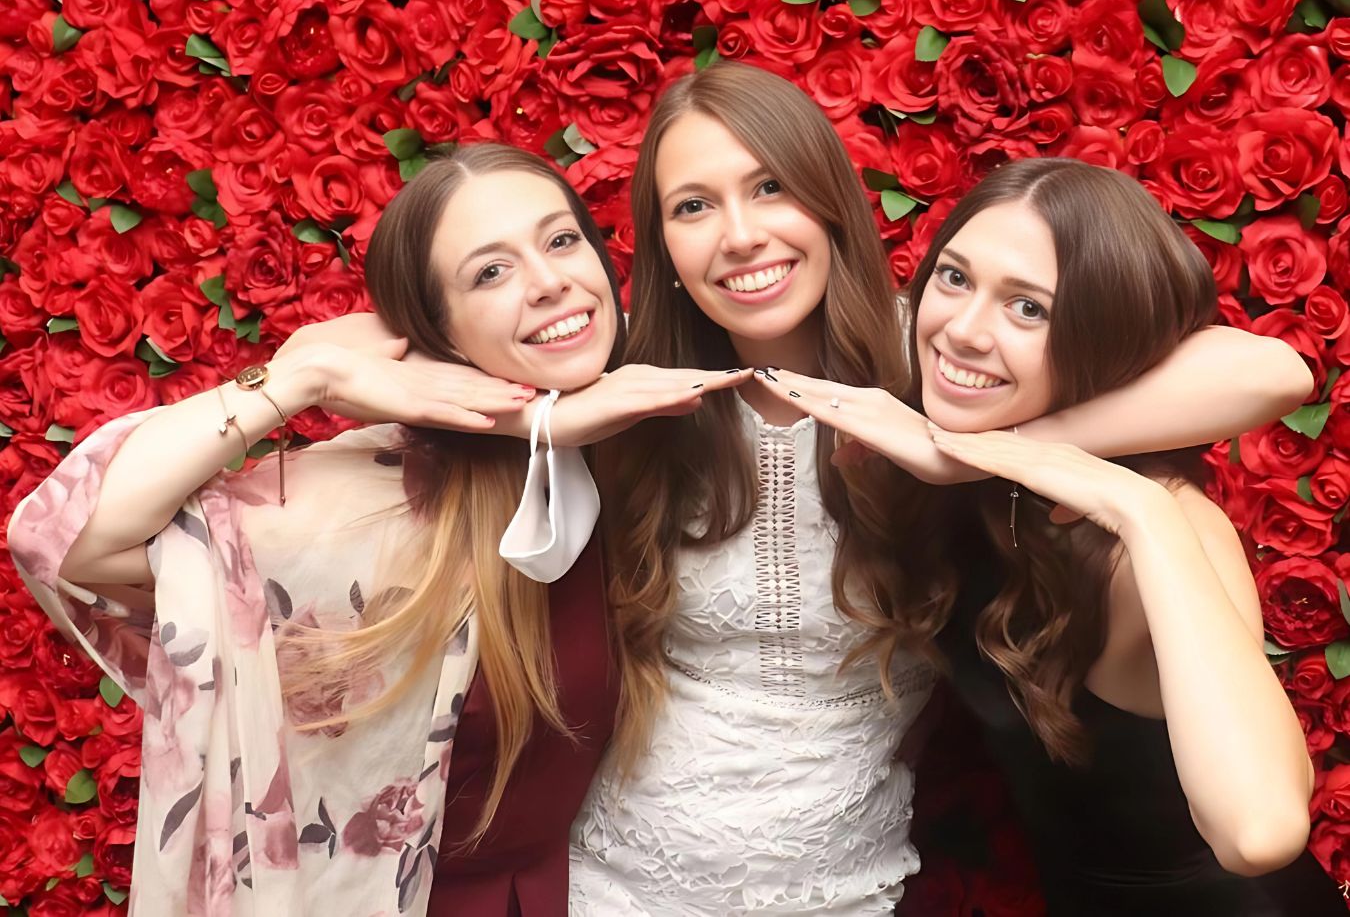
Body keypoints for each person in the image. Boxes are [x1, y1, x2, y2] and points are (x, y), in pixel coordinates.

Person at [566, 64, 1316, 916]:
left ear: (828, 201)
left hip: (848, 884)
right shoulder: (631, 392)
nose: (738, 235)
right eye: (692, 206)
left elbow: (1270, 369)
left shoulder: (931, 365)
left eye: (770, 186)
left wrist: (974, 449)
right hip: (620, 875)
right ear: (659, 243)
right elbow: (410, 345)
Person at [7, 143, 747, 917]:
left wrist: (544, 424)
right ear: (442, 331)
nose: (551, 282)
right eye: (489, 273)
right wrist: (306, 374)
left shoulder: (631, 442)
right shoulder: (388, 494)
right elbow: (73, 541)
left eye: (562, 241)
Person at [752, 157, 1342, 915]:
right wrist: (982, 457)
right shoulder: (955, 441)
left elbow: (1259, 833)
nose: (963, 331)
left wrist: (1141, 507)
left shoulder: (1156, 523)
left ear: (1099, 336)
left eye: (1029, 309)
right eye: (955, 278)